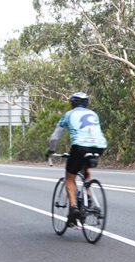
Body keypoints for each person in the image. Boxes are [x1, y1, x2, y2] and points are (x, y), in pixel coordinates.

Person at [45, 92, 107, 227]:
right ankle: (88, 197)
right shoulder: (93, 114)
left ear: (72, 104)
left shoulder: (68, 115)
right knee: (86, 170)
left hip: (80, 146)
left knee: (70, 177)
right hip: (99, 146)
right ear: (87, 104)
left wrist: (51, 150)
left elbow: (55, 137)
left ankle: (73, 208)